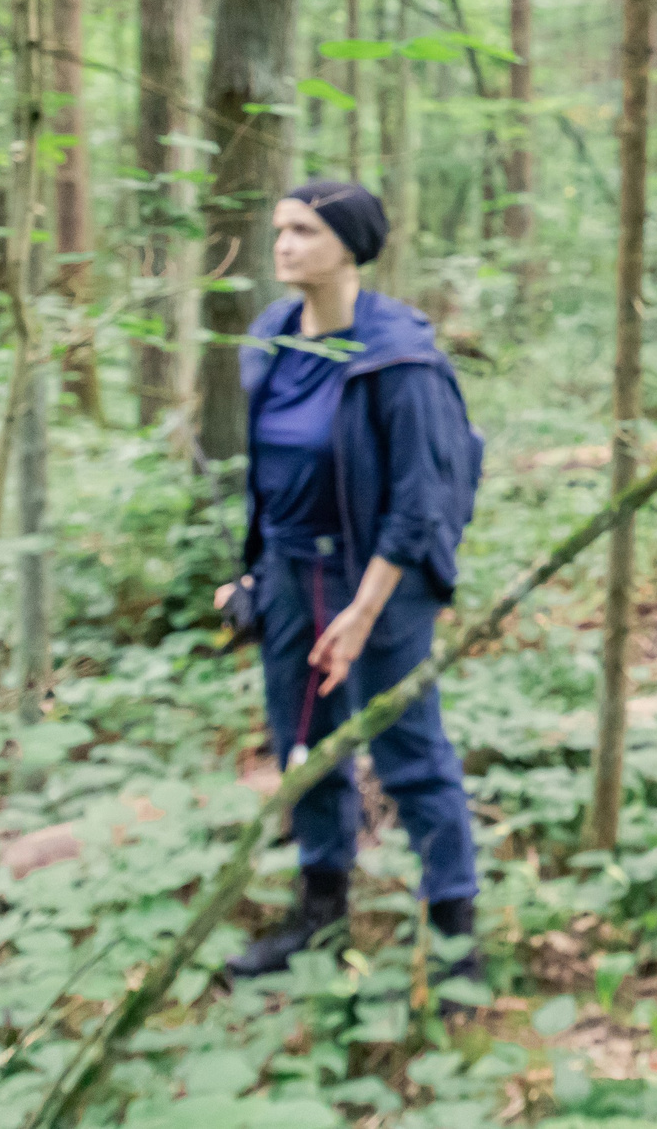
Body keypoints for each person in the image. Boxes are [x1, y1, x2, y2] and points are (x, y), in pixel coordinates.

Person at [212, 179, 488, 980]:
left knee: (410, 750)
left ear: (348, 245)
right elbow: (265, 474)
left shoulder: (400, 356)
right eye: (279, 230)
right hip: (292, 575)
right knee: (305, 745)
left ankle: (456, 939)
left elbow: (420, 497)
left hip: (382, 583)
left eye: (303, 230)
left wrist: (366, 608)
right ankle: (320, 909)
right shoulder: (272, 338)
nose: (284, 245)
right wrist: (251, 572)